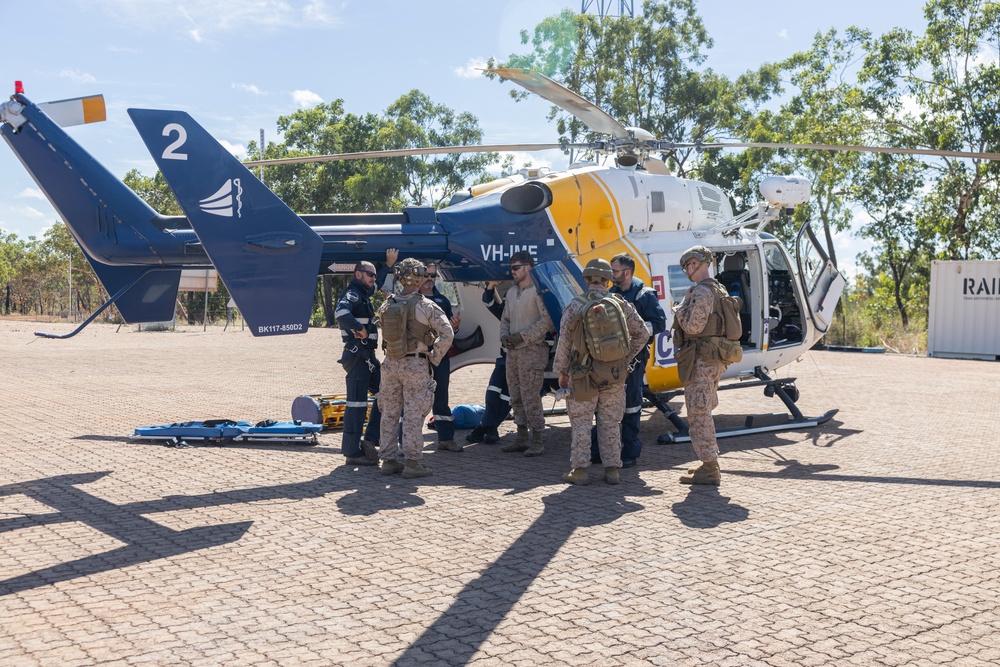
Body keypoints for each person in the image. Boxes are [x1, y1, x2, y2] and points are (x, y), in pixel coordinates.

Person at [554, 259, 650, 485]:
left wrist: (562, 372)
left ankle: (579, 470)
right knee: (610, 422)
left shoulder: (574, 306)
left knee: (581, 422)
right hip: (614, 374)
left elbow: (564, 343)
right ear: (608, 280)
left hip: (582, 375)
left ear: (586, 279)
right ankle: (612, 470)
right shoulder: (621, 304)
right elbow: (643, 333)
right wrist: (624, 358)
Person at [375, 258, 454, 479]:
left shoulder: (387, 303)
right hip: (415, 364)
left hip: (390, 364)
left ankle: (388, 460)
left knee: (389, 412)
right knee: (413, 413)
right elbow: (447, 334)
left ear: (399, 277)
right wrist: (433, 357)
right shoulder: (426, 305)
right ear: (419, 278)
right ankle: (412, 462)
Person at [590, 253, 667, 468]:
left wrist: (632, 333)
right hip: (608, 361)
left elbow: (659, 325)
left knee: (631, 406)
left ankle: (630, 453)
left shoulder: (645, 295)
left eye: (614, 271)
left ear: (627, 272)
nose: (610, 275)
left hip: (633, 361)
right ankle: (599, 451)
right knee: (603, 405)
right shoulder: (609, 294)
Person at [672, 245, 726, 485]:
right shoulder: (719, 289)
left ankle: (710, 466)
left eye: (690, 265)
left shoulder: (701, 293)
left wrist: (680, 308)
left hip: (701, 361)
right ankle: (707, 462)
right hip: (715, 358)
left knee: (698, 413)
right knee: (704, 409)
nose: (689, 270)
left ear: (698, 264)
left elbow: (693, 327)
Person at [498, 251, 554, 457]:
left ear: (528, 267)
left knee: (531, 396)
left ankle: (537, 438)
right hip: (513, 353)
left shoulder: (538, 292)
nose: (512, 271)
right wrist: (504, 337)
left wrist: (523, 337)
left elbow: (546, 321)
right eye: (511, 268)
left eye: (516, 267)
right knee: (516, 395)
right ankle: (521, 437)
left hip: (532, 351)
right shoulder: (512, 292)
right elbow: (505, 319)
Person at [334, 261, 383, 466]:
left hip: (369, 357)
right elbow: (341, 312)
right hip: (358, 358)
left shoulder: (364, 294)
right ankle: (352, 452)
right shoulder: (353, 293)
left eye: (375, 275)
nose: (373, 278)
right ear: (358, 274)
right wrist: (358, 329)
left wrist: (387, 266)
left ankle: (371, 440)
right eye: (370, 274)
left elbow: (377, 285)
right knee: (357, 405)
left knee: (386, 395)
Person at [419, 262, 464, 453]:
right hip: (417, 356)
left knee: (441, 396)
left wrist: (455, 327)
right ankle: (406, 441)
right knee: (414, 398)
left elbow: (449, 330)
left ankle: (446, 438)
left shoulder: (443, 301)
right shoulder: (411, 299)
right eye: (427, 275)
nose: (430, 279)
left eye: (433, 276)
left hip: (440, 356)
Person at [465, 281, 510, 445]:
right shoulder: (507, 311)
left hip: (521, 358)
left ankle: (484, 428)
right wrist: (490, 286)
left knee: (507, 397)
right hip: (504, 356)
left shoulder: (531, 309)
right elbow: (489, 302)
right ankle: (489, 428)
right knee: (493, 390)